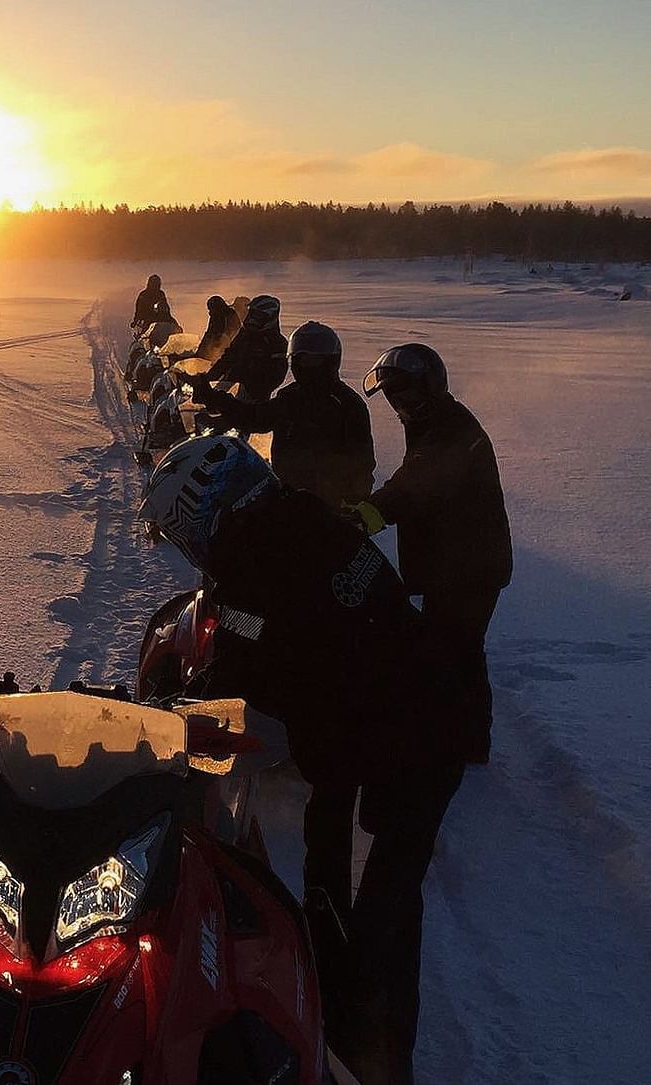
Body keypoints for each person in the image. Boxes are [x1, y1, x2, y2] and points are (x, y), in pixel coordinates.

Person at [139, 435, 459, 1085]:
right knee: (330, 866)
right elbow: (298, 644)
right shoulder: (300, 513)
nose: (187, 548)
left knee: (385, 921)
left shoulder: (253, 560)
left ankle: (376, 1056)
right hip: (384, 714)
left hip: (411, 732)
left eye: (181, 530)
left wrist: (163, 721)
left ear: (209, 510)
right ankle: (336, 988)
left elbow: (236, 677)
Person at [351, 343, 512, 767]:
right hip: (455, 561)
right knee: (455, 649)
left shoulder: (451, 430)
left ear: (430, 387)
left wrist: (367, 513)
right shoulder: (431, 422)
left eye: (405, 395)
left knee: (457, 650)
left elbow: (416, 485)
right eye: (393, 398)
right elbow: (413, 478)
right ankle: (464, 737)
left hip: (472, 565)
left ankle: (464, 743)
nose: (399, 406)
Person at [182, 320, 375, 507]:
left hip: (328, 504)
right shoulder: (291, 397)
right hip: (286, 495)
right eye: (301, 359)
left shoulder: (347, 405)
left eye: (313, 360)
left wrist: (351, 506)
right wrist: (213, 398)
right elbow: (255, 418)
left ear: (330, 360)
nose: (306, 365)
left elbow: (362, 464)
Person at [201, 294, 287, 403]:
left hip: (254, 396)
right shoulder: (245, 334)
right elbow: (228, 357)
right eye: (252, 315)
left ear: (269, 318)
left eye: (258, 316)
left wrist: (253, 385)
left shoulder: (277, 343)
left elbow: (276, 376)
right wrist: (208, 378)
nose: (253, 320)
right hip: (229, 384)